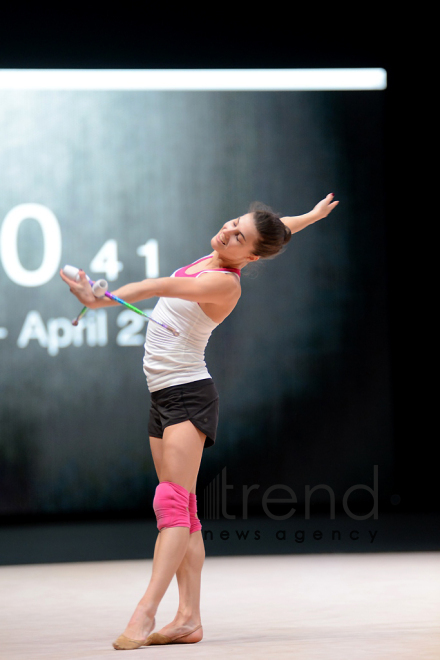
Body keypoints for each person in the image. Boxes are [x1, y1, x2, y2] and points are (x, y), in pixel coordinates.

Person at [60, 193, 338, 650]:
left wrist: (101, 299)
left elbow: (154, 287)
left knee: (170, 506)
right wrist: (310, 216)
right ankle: (189, 619)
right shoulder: (218, 252)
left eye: (239, 236)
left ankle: (145, 612)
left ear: (249, 257)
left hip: (189, 397)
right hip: (163, 397)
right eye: (233, 222)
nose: (229, 231)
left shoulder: (226, 283)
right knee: (183, 511)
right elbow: (277, 228)